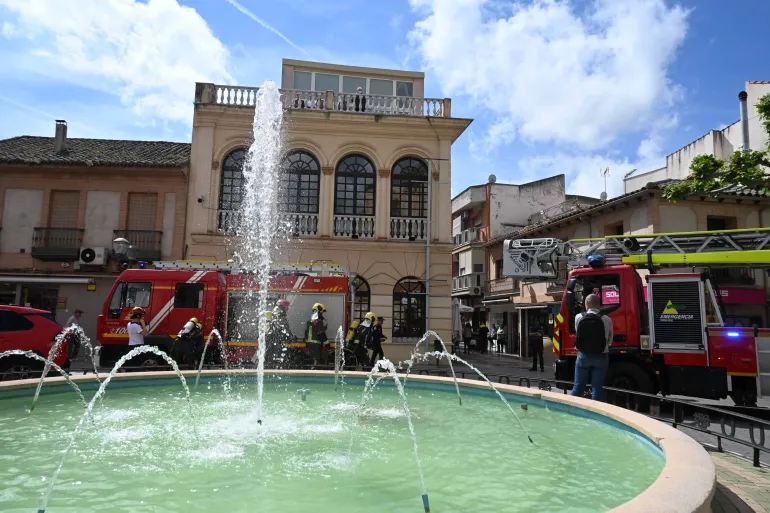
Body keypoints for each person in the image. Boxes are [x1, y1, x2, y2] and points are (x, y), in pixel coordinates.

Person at [570, 294, 613, 401]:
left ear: (587, 303)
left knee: (578, 387)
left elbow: (578, 335)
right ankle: (594, 416)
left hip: (583, 356)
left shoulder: (579, 317)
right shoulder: (607, 319)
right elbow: (610, 341)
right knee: (597, 389)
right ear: (599, 305)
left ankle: (569, 411)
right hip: (601, 356)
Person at [305, 303, 328, 367]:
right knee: (316, 361)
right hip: (315, 344)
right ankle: (313, 373)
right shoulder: (318, 321)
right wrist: (327, 343)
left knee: (313, 359)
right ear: (318, 312)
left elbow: (306, 332)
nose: (322, 314)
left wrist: (306, 342)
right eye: (321, 312)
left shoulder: (310, 321)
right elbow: (321, 334)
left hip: (310, 343)